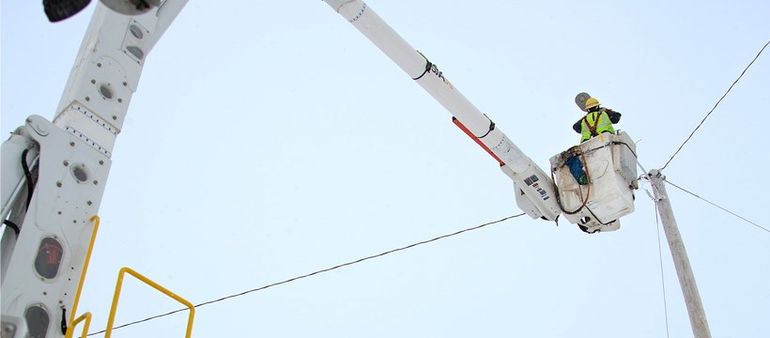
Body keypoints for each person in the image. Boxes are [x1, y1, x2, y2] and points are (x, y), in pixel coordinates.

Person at [566, 96, 622, 185]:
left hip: (587, 145)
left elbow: (575, 127)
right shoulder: (604, 114)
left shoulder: (584, 120)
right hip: (605, 140)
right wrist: (607, 110)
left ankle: (582, 177)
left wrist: (586, 117)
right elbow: (617, 117)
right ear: (598, 106)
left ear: (587, 109)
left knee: (574, 160)